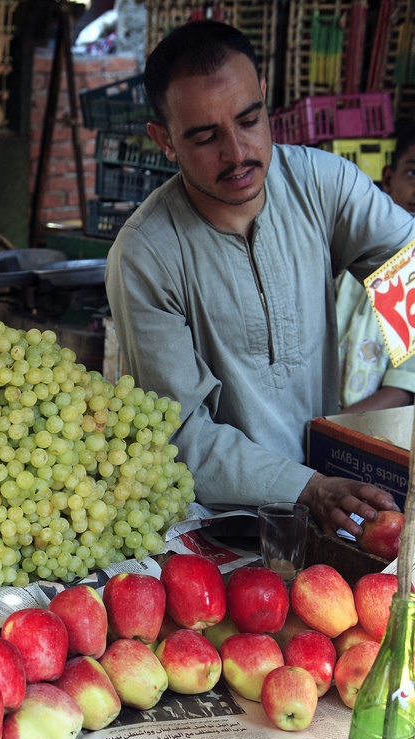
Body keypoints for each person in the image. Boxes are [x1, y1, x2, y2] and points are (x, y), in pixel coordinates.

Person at [105, 20, 414, 537]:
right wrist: (306, 486)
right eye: (205, 137)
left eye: (249, 120)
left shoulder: (322, 183)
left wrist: (403, 382)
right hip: (221, 522)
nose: (238, 152)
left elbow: (407, 264)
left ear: (265, 100)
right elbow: (181, 432)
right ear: (164, 140)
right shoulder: (145, 256)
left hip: (340, 504)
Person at [337, 121, 415, 411]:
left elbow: (401, 389)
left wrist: (327, 430)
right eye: (413, 173)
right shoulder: (348, 248)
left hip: (364, 433)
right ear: (388, 177)